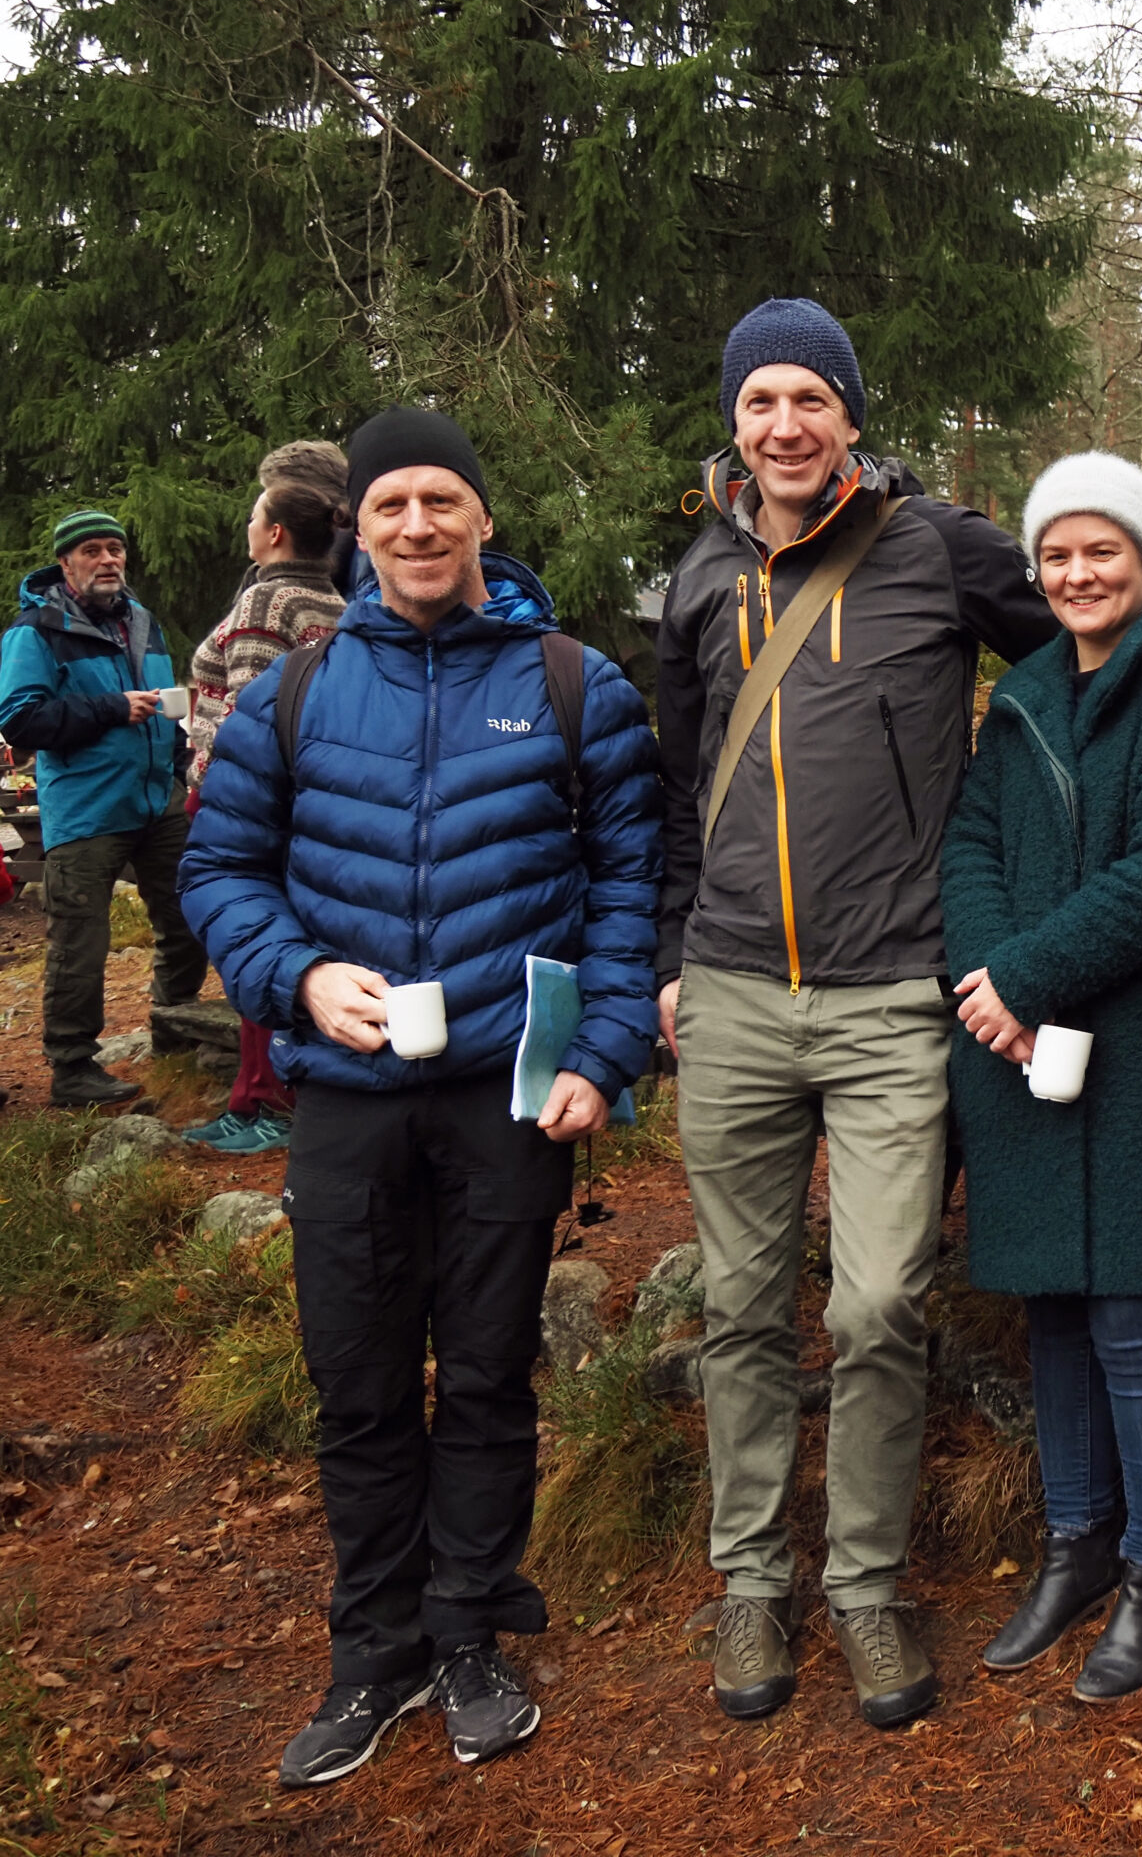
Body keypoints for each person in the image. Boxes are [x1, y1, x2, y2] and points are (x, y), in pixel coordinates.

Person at [179, 406, 663, 1787]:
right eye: (390, 504)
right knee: (360, 1380)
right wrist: (297, 979)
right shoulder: (298, 689)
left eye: (442, 501)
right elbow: (219, 872)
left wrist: (601, 1054)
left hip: (509, 1094)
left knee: (493, 1374)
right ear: (361, 528)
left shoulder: (576, 684)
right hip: (347, 1094)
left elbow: (631, 888)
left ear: (483, 521)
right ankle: (372, 1650)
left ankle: (468, 1633)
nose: (416, 526)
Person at [655, 298, 1057, 1729]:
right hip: (737, 994)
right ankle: (753, 1581)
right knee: (742, 1307)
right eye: (760, 402)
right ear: (735, 422)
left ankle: (867, 1591)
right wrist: (666, 950)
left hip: (896, 991)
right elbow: (669, 785)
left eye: (809, 401)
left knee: (882, 1300)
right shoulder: (700, 576)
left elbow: (1072, 658)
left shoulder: (939, 547)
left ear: (849, 416)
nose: (783, 427)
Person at [944, 453, 1142, 1703]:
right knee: (1051, 1305)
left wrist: (1027, 977)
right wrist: (986, 984)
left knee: (1136, 1312)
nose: (1075, 573)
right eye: (1055, 553)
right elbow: (968, 849)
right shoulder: (1019, 700)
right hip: (1014, 1045)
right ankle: (1076, 1543)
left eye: (1100, 549)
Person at [0, 508, 207, 1107]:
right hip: (86, 809)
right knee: (80, 944)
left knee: (190, 916)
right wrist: (114, 708)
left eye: (114, 548)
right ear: (65, 563)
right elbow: (19, 720)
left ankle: (175, 1028)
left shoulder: (142, 621)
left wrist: (176, 769)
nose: (108, 559)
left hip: (157, 801)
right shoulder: (34, 630)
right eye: (92, 550)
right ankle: (72, 1070)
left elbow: (168, 709)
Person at [181, 443, 351, 1153]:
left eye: (256, 514)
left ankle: (261, 1103)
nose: (248, 525)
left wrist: (211, 784)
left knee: (252, 945)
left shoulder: (266, 599)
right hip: (313, 798)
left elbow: (250, 714)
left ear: (275, 531)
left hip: (246, 805)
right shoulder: (335, 601)